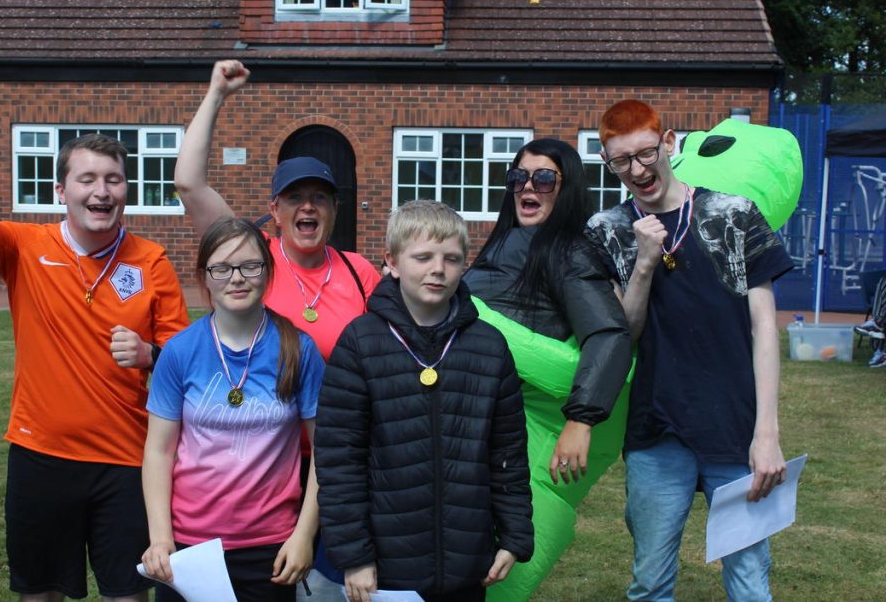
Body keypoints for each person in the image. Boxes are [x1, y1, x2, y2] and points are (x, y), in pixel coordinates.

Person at [0, 109, 189, 601]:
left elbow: (184, 364)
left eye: (114, 180)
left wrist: (150, 352)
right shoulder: (24, 245)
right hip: (41, 455)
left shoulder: (151, 261)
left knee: (127, 593)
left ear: (127, 189)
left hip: (127, 461)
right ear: (61, 191)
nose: (101, 191)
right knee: (38, 593)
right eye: (86, 179)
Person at [175, 60, 381, 598]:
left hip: (345, 460)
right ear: (275, 209)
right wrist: (217, 91)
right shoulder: (253, 259)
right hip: (270, 462)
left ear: (334, 209)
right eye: (295, 197)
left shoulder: (362, 275)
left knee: (341, 585)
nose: (307, 206)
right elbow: (188, 182)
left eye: (319, 197)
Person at [584, 99, 793, 602]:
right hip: (657, 431)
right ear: (608, 163)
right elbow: (622, 336)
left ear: (670, 143)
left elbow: (765, 328)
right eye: (621, 161)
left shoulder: (735, 215)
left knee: (749, 582)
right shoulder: (606, 231)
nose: (637, 170)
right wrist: (643, 264)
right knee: (651, 581)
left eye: (646, 153)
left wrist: (767, 434)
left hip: (736, 428)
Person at [315, 199, 534, 602]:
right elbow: (339, 460)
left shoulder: (489, 347)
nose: (438, 268)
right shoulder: (361, 342)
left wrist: (515, 534)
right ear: (392, 263)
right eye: (423, 257)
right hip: (386, 566)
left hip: (468, 560)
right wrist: (354, 555)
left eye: (452, 258)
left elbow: (507, 453)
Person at [463, 138, 633, 599]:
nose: (527, 186)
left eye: (543, 178)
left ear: (568, 186)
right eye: (518, 177)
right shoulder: (505, 244)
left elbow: (609, 336)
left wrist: (581, 419)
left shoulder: (569, 252)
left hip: (529, 440)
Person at [140, 217, 325, 602]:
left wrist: (303, 535)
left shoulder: (299, 350)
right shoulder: (180, 352)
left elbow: (325, 452)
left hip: (272, 548)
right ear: (204, 277)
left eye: (249, 266)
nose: (236, 278)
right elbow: (159, 451)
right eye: (221, 268)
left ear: (267, 271)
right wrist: (161, 539)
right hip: (191, 548)